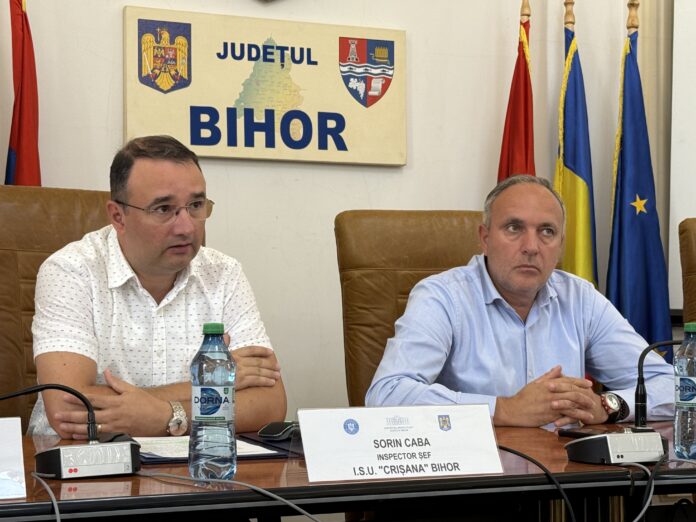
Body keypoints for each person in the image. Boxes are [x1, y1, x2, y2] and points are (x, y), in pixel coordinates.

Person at [28, 135, 286, 439]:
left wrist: (167, 416)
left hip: (197, 460)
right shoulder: (71, 271)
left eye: (196, 205)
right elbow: (70, 408)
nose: (187, 227)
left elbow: (270, 404)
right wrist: (209, 385)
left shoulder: (224, 274)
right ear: (118, 216)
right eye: (163, 209)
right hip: (83, 458)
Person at [366, 175, 673, 427]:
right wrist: (503, 409)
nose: (531, 247)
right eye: (514, 228)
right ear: (485, 238)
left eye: (547, 231)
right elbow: (387, 395)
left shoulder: (580, 299)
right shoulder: (443, 297)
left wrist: (609, 405)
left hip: (567, 475)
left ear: (561, 246)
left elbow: (677, 388)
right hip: (477, 474)